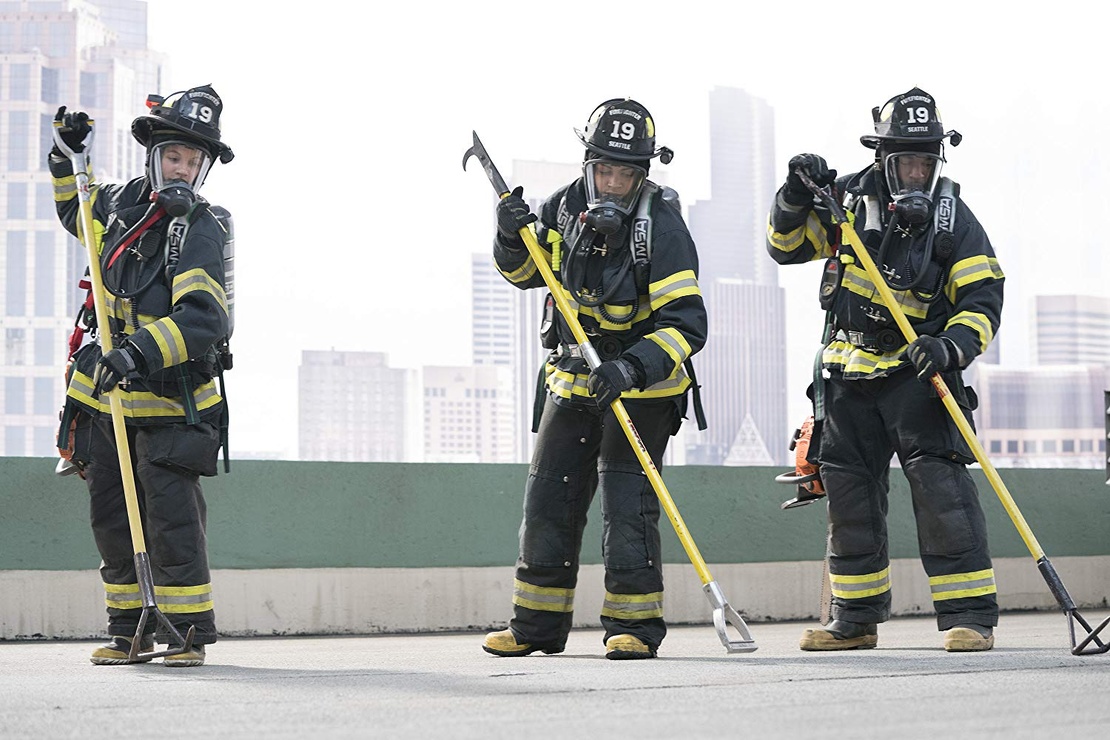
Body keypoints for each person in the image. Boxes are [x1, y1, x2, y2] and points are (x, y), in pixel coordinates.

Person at [766, 87, 1005, 652]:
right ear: (883, 157)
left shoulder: (955, 219)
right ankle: (854, 620)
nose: (917, 173)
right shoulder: (844, 200)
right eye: (906, 162)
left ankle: (970, 618)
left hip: (917, 374)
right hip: (846, 374)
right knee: (849, 499)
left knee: (942, 494)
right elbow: (785, 246)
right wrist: (793, 196)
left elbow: (983, 300)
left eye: (926, 162)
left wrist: (949, 347)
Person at [483, 99, 707, 660]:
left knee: (627, 505)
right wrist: (509, 236)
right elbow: (526, 274)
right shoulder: (562, 207)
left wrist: (630, 368)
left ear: (642, 174)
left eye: (624, 174)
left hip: (643, 390)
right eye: (603, 170)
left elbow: (687, 325)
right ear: (588, 165)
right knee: (548, 500)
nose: (611, 184)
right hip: (572, 380)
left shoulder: (663, 226)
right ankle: (535, 627)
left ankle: (634, 627)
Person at [49, 85, 235, 667]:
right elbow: (74, 212)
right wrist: (65, 159)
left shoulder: (202, 227)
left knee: (171, 523)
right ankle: (128, 630)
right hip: (104, 401)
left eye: (193, 161)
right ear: (154, 155)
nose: (182, 169)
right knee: (111, 518)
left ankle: (186, 635)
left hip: (171, 405)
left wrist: (136, 353)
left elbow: (204, 318)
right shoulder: (118, 205)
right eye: (173, 156)